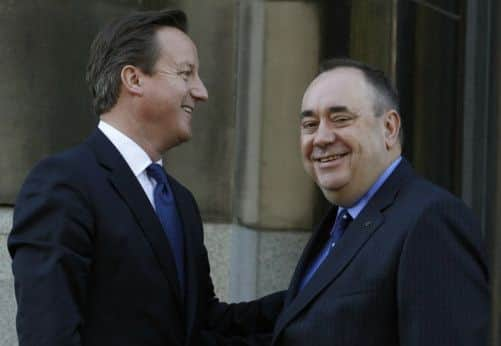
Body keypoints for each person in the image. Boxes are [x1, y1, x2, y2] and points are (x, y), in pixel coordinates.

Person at [8, 9, 282, 346]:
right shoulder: (63, 185)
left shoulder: (180, 201)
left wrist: (313, 296)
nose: (201, 92)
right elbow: (49, 335)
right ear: (134, 79)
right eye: (186, 73)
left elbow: (204, 324)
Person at [270, 58, 490, 346]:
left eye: (341, 119)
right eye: (310, 124)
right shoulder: (341, 221)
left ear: (389, 128)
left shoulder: (432, 220)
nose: (321, 137)